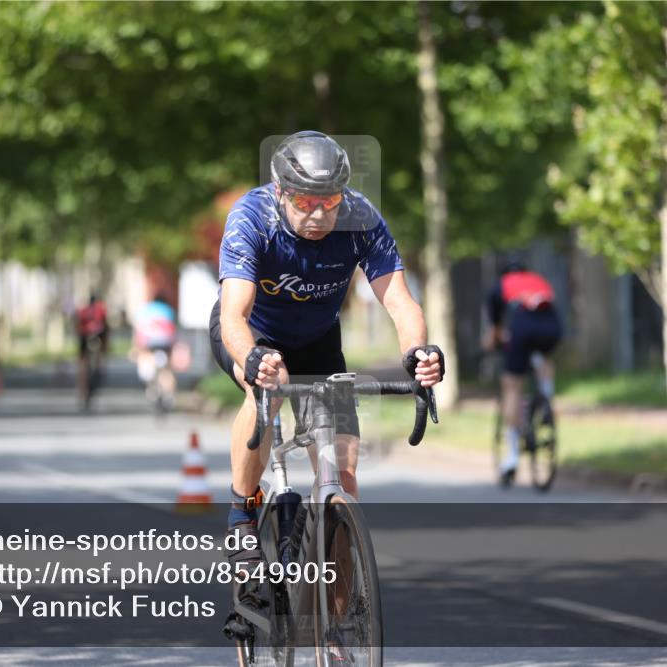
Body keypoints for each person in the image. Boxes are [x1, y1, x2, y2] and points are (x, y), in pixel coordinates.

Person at [210, 130, 444, 639]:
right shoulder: (251, 218)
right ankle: (241, 515)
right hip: (257, 334)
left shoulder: (361, 220)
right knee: (266, 390)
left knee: (344, 478)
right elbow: (234, 313)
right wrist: (251, 358)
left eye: (330, 203)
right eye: (306, 203)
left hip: (318, 340)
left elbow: (400, 301)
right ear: (280, 193)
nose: (319, 215)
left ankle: (336, 631)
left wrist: (418, 353)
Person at [483, 259, 563, 485]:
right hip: (552, 326)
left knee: (512, 385)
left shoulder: (500, 287)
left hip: (523, 327)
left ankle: (512, 456)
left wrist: (492, 345)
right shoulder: (538, 280)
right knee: (544, 357)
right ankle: (546, 396)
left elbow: (494, 332)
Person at [132, 294, 178, 411]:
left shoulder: (145, 309)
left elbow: (138, 330)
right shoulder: (169, 310)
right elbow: (172, 330)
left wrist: (136, 348)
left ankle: (152, 390)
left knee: (147, 362)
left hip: (149, 342)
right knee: (166, 370)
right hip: (165, 342)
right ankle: (169, 395)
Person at [75, 294, 109, 402]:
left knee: (83, 362)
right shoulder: (100, 309)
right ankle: (99, 367)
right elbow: (105, 325)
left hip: (84, 336)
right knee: (99, 351)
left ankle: (82, 388)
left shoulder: (83, 310)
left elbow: (78, 324)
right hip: (97, 335)